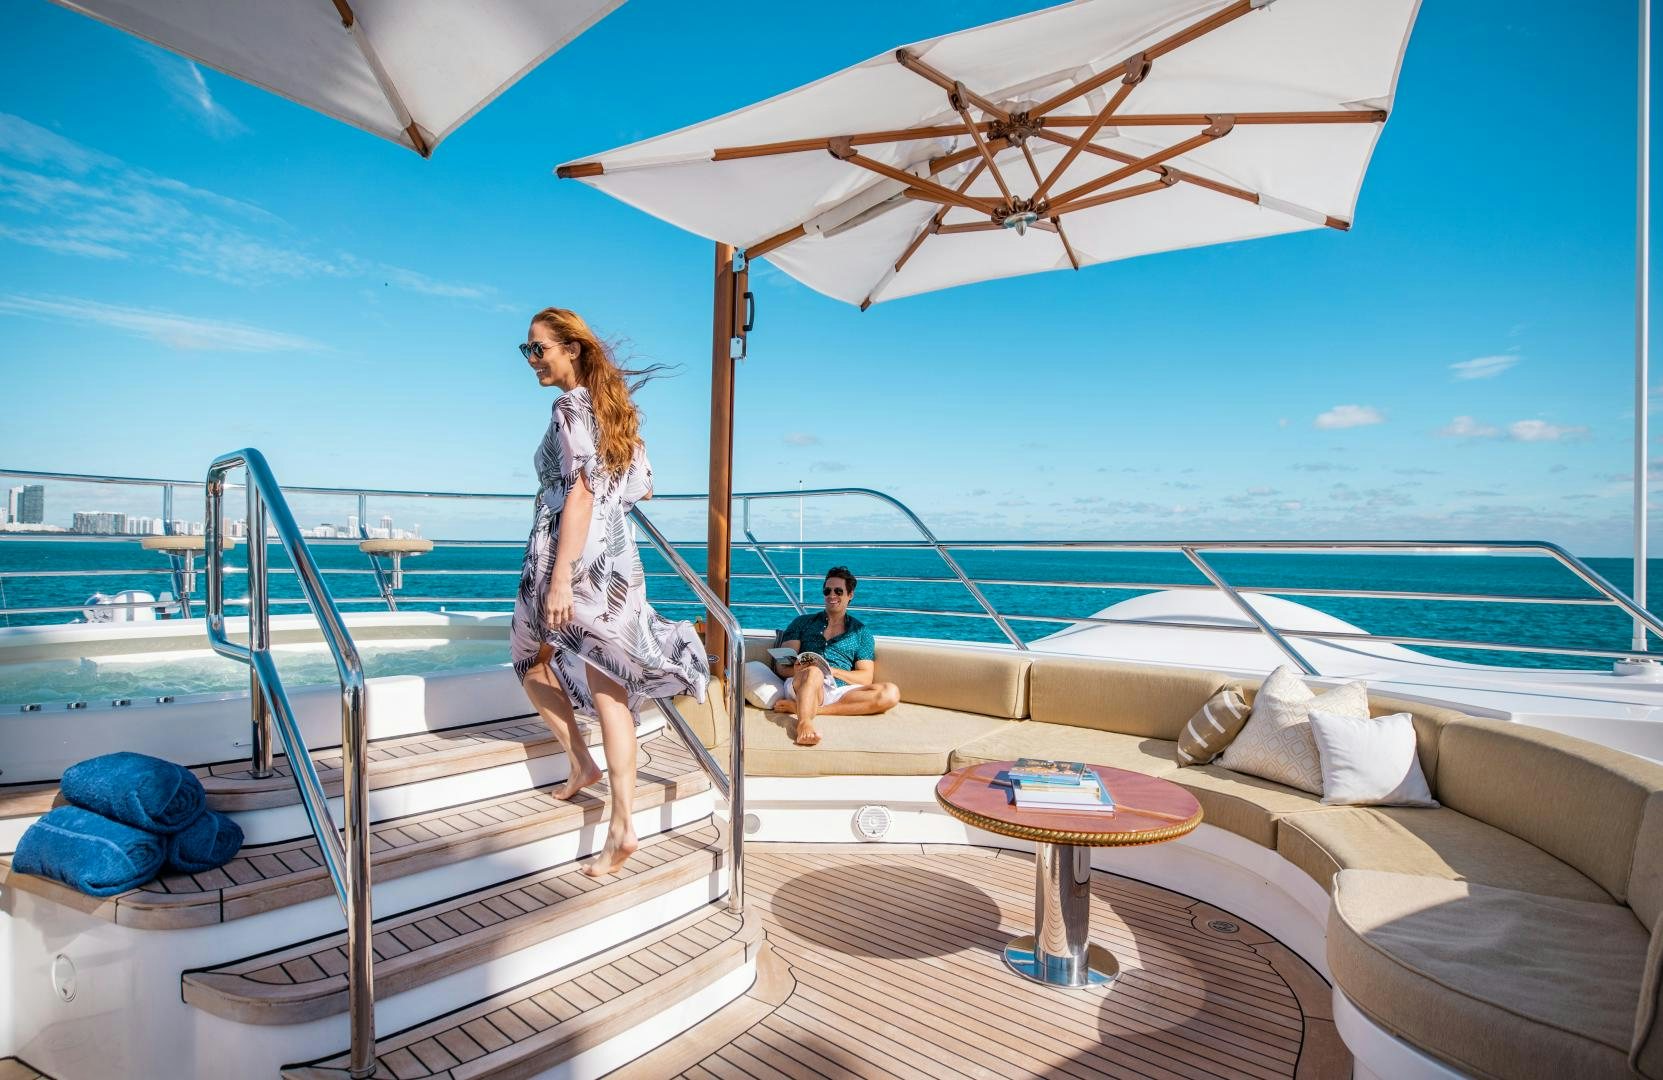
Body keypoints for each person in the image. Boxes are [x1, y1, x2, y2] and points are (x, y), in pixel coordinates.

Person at [509, 308, 709, 876]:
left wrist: (560, 575)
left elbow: (578, 494)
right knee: (609, 683)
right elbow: (643, 486)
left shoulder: (570, 408)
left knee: (528, 657)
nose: (532, 360)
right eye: (526, 350)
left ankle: (581, 762)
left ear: (571, 349)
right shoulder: (615, 413)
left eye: (538, 349)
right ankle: (620, 820)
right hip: (617, 559)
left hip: (566, 553)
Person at [772, 566, 901, 746]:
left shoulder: (861, 632)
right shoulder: (802, 622)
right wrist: (799, 669)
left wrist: (832, 671)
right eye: (827, 591)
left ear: (850, 595)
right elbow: (781, 667)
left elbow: (865, 677)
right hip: (804, 683)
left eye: (838, 591)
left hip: (838, 691)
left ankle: (811, 709)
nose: (832, 595)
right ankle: (804, 723)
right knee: (814, 672)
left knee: (890, 692)